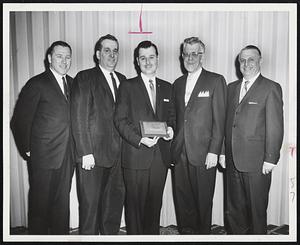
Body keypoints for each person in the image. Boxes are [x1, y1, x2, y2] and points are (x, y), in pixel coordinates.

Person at [10, 41, 74, 234]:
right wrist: (28, 149)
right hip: (43, 156)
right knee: (40, 207)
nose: (64, 61)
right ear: (49, 59)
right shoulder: (37, 83)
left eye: (67, 57)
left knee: (62, 205)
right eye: (59, 56)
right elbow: (19, 120)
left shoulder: (73, 83)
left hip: (67, 156)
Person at [114, 40, 173, 235]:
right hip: (136, 155)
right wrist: (140, 140)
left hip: (160, 159)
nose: (148, 62)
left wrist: (171, 130)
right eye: (143, 58)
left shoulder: (167, 87)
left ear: (157, 59)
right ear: (137, 61)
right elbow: (120, 120)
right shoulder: (127, 86)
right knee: (135, 209)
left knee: (154, 207)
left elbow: (172, 118)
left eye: (151, 57)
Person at [223, 45, 284, 234]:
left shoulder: (270, 88)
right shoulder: (230, 88)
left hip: (257, 163)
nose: (246, 63)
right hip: (232, 161)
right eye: (242, 60)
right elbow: (227, 124)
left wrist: (271, 158)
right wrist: (223, 152)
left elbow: (275, 126)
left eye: (251, 59)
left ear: (260, 61)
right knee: (233, 212)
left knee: (256, 213)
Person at [169, 37, 227, 234]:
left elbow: (220, 121)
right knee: (182, 201)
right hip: (179, 154)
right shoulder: (176, 84)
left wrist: (215, 151)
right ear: (182, 56)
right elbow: (175, 119)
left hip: (204, 154)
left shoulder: (215, 81)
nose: (190, 58)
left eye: (195, 54)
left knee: (203, 203)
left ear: (202, 56)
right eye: (186, 54)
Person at [71, 34, 126, 235]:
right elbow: (78, 116)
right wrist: (85, 152)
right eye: (107, 50)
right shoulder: (84, 77)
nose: (112, 55)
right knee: (90, 210)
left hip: (119, 157)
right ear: (97, 54)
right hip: (92, 156)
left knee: (113, 210)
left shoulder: (123, 80)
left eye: (115, 50)